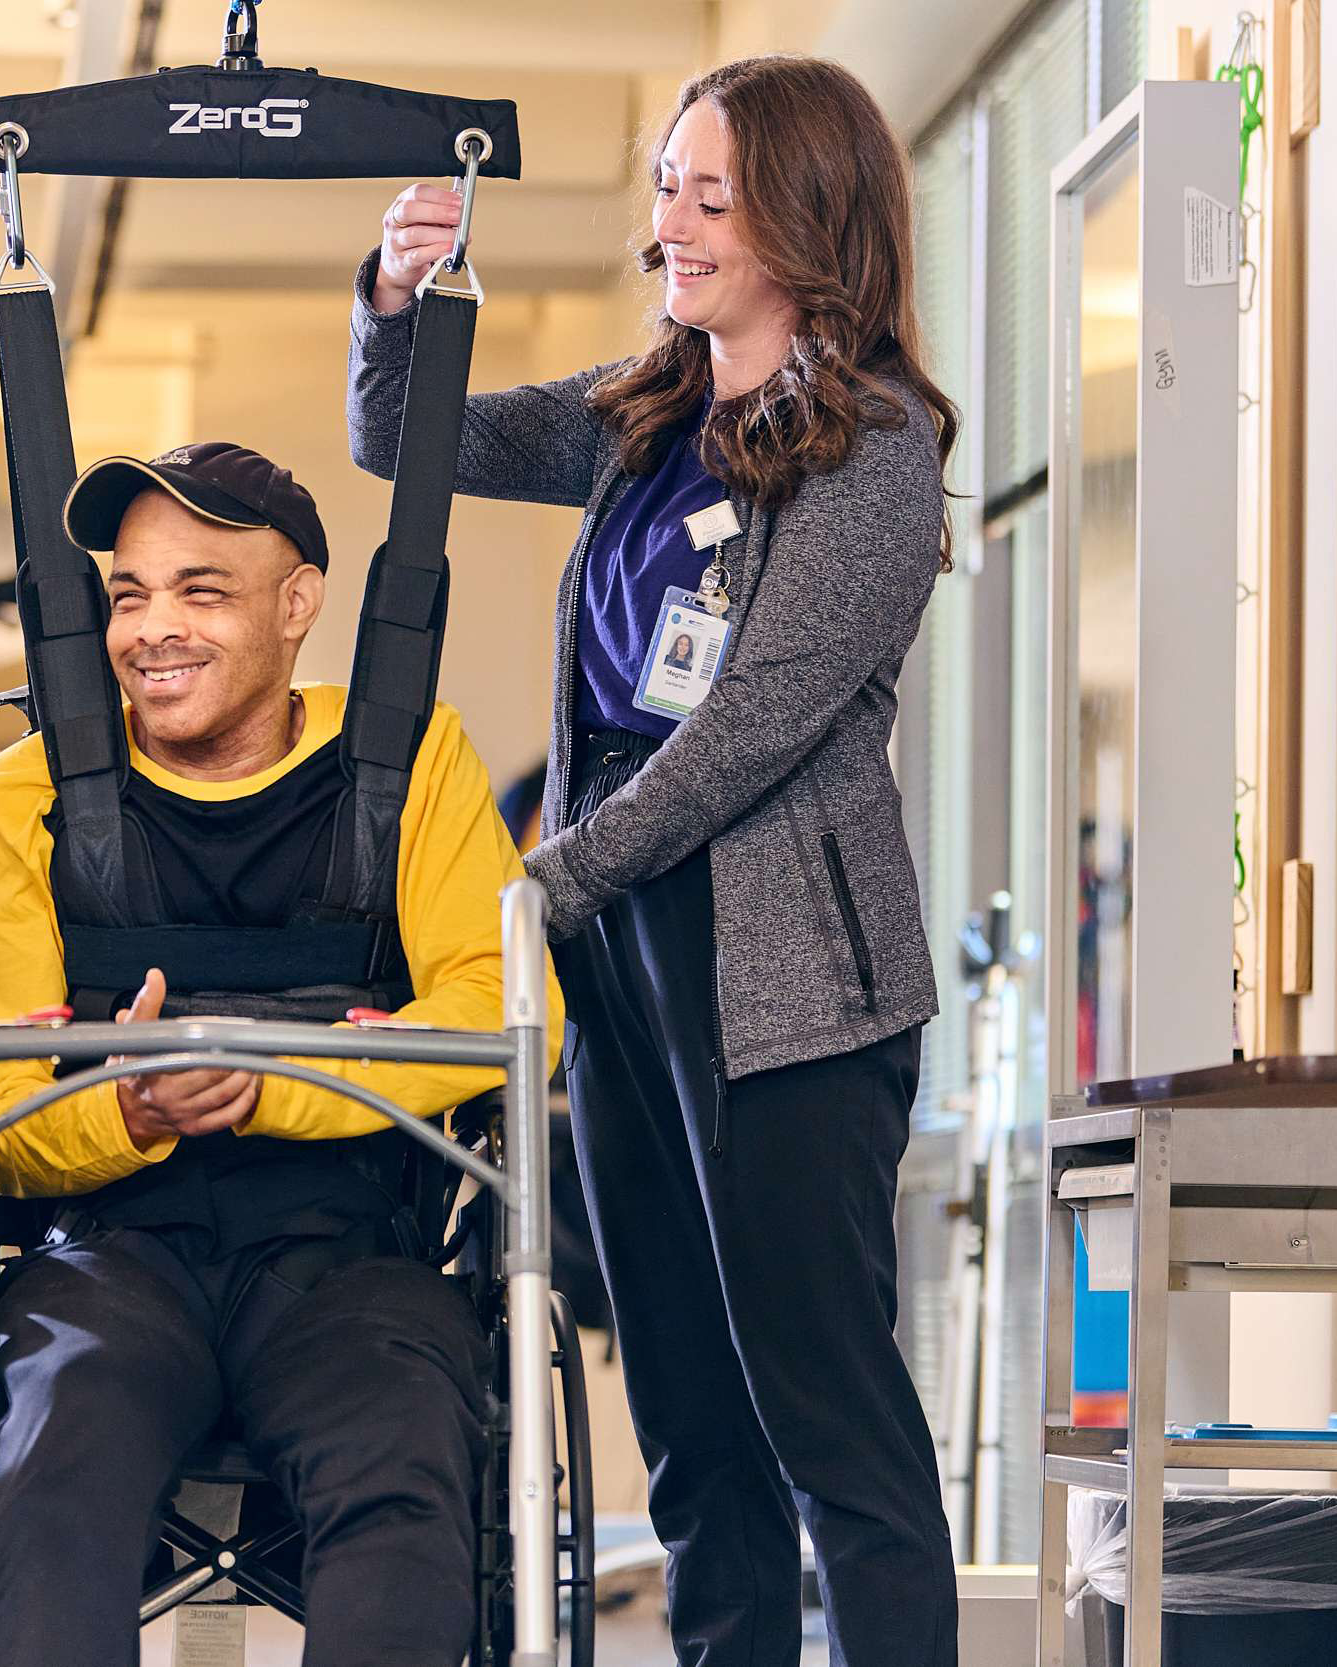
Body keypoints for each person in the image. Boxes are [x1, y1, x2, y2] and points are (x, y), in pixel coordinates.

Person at [350, 54, 962, 1667]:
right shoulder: (642, 416)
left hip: (781, 968)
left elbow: (757, 719)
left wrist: (550, 870)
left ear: (809, 217)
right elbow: (399, 439)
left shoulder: (875, 444)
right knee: (688, 1407)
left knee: (823, 1407)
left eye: (711, 195)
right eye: (665, 189)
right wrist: (400, 299)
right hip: (622, 933)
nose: (669, 226)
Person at [0, 440, 559, 1667]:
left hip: (346, 1260)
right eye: (129, 594)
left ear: (296, 603)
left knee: (403, 1467)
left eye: (200, 589)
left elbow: (502, 999)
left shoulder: (406, 763)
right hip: (107, 1258)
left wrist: (274, 1083)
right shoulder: (24, 797)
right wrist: (131, 1110)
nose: (150, 628)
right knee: (53, 1462)